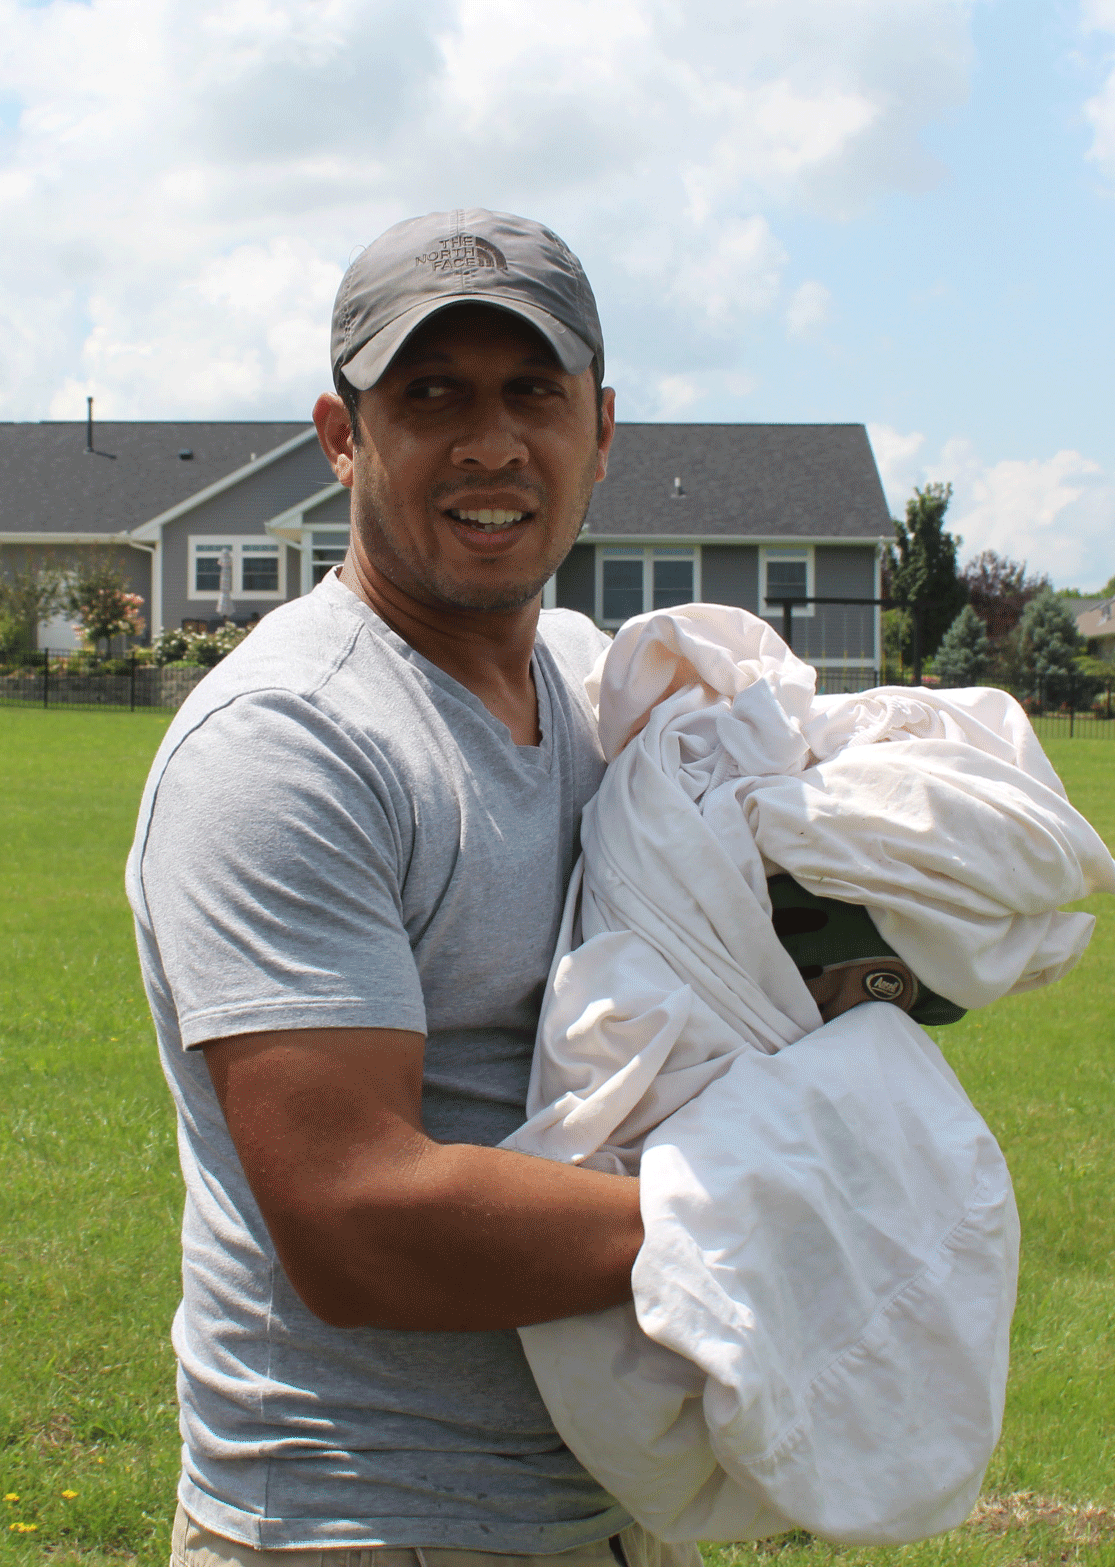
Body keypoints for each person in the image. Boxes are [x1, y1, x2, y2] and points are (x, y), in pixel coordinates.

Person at [125, 210, 696, 1567]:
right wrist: (752, 1224)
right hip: (360, 1518)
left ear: (600, 432)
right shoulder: (289, 742)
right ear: (341, 436)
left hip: (608, 1497)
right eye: (430, 394)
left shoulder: (592, 683)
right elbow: (356, 1220)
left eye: (529, 394)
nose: (489, 444)